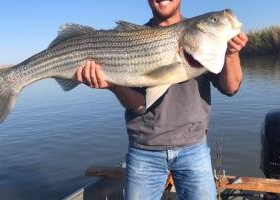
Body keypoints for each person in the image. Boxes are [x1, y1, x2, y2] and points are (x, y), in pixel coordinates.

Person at [76, 0, 248, 199]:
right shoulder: (133, 38)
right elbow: (139, 106)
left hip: (194, 149)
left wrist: (232, 54)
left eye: (214, 20)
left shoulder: (204, 39)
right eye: (214, 20)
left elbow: (231, 87)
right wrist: (114, 85)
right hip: (144, 150)